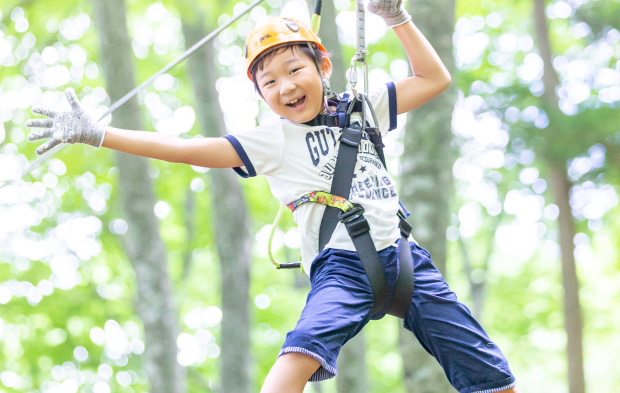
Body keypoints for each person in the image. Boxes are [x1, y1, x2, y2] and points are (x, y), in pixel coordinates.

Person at [27, 1, 521, 392]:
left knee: (491, 374)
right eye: (270, 81)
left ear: (322, 65)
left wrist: (396, 18)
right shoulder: (273, 140)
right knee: (295, 362)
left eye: (294, 69)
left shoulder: (362, 110)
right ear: (261, 95)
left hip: (408, 261)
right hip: (342, 269)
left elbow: (434, 79)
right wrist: (99, 134)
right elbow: (184, 150)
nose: (285, 86)